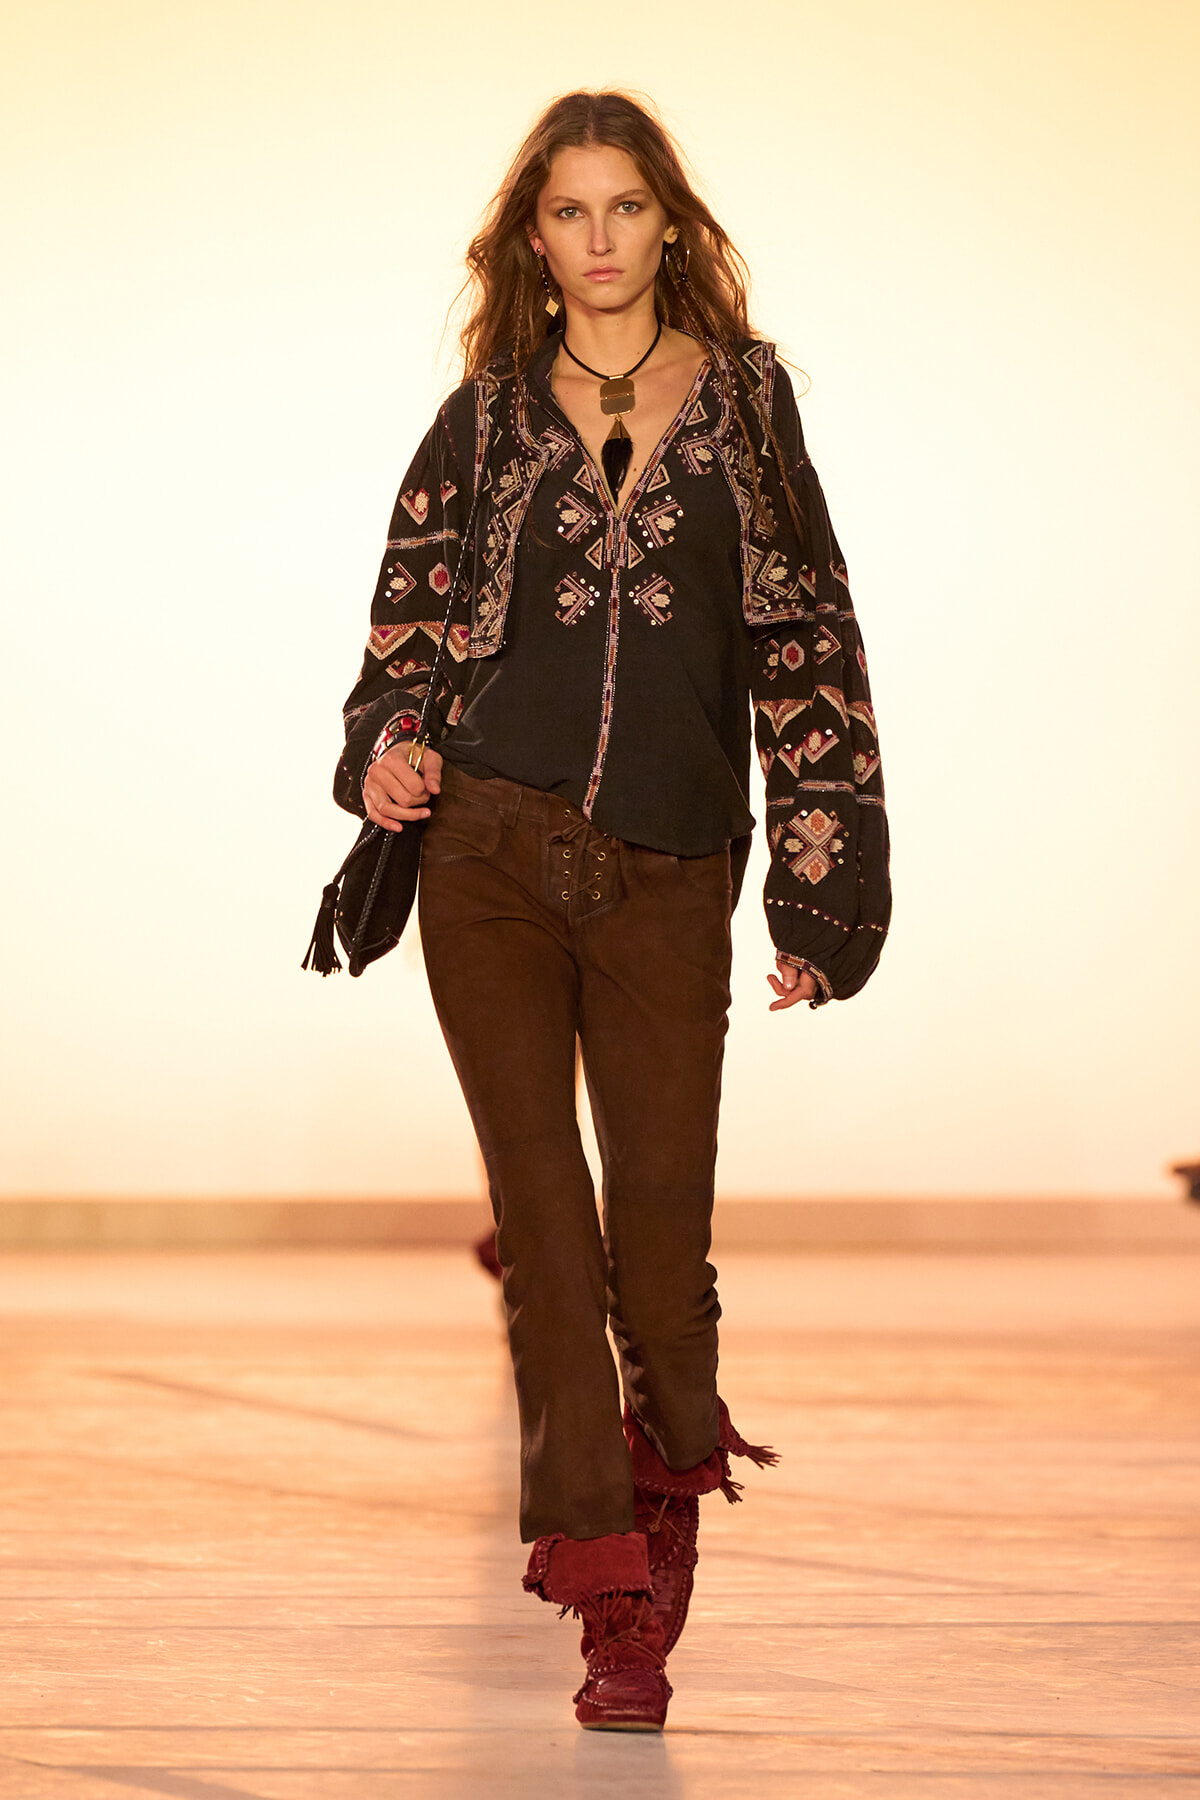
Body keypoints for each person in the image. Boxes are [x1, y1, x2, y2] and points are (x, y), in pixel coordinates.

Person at [332, 90, 891, 1731]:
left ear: (670, 223)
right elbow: (403, 632)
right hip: (488, 863)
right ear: (533, 237)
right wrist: (389, 754)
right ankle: (612, 1599)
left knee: (659, 1257)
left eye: (625, 208)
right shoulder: (487, 416)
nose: (597, 240)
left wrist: (820, 873)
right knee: (548, 1248)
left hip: (666, 871)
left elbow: (808, 645)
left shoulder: (752, 408)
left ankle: (658, 1519)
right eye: (567, 212)